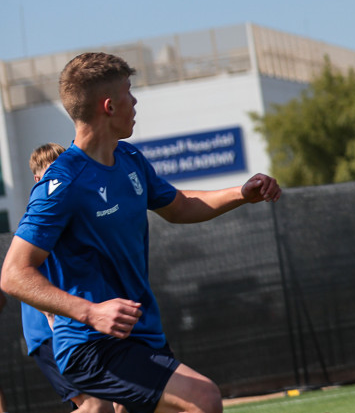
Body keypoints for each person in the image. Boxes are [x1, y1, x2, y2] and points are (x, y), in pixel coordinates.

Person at [0, 52, 282, 413]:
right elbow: (13, 274)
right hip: (92, 344)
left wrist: (241, 193)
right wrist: (90, 312)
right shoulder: (63, 182)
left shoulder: (130, 160)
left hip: (142, 334)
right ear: (109, 106)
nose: (135, 102)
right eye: (129, 93)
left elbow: (180, 206)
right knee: (203, 398)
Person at [24, 143, 120, 413]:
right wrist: (52, 320)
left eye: (62, 167)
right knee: (95, 405)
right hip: (51, 332)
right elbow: (26, 275)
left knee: (121, 400)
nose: (59, 175)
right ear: (38, 179)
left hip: (79, 328)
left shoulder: (73, 212)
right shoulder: (40, 217)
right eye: (51, 170)